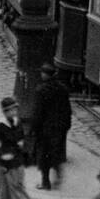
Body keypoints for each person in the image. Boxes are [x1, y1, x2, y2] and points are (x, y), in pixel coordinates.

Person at [32, 62, 72, 190]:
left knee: (43, 155)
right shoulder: (63, 89)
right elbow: (67, 109)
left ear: (44, 75)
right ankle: (58, 173)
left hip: (45, 129)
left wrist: (35, 129)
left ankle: (45, 182)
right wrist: (66, 125)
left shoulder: (41, 90)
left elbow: (38, 112)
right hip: (59, 127)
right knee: (56, 152)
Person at [0, 97, 30, 199]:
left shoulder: (18, 123)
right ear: (5, 112)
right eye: (11, 111)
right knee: (6, 190)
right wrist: (2, 155)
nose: (14, 113)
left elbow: (22, 137)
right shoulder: (1, 126)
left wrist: (22, 143)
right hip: (4, 163)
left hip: (16, 160)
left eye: (15, 110)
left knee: (16, 185)